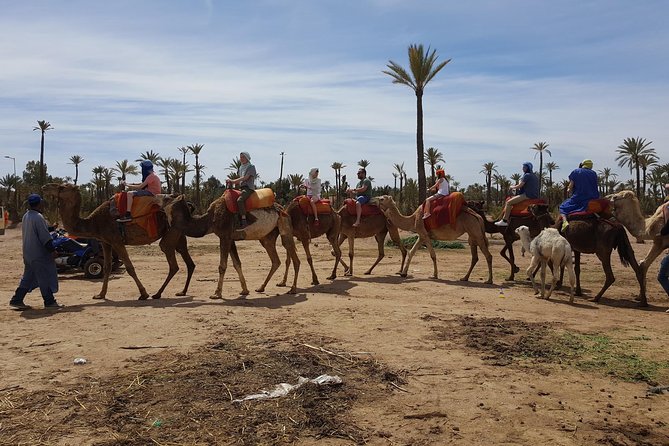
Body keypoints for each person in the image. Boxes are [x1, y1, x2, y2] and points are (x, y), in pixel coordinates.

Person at [9, 194, 63, 310]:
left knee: (28, 277)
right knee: (44, 277)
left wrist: (52, 228)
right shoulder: (38, 217)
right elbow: (44, 237)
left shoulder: (26, 216)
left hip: (28, 253)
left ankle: (17, 299)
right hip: (38, 254)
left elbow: (39, 230)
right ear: (39, 204)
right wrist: (52, 250)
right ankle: (49, 301)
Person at [558, 159, 600, 231]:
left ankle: (565, 222)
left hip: (578, 199)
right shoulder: (594, 173)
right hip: (593, 199)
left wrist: (568, 191)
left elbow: (570, 187)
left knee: (562, 207)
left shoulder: (576, 172)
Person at [495, 162, 540, 226]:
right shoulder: (535, 176)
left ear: (528, 168)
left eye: (524, 167)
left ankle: (504, 220)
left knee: (509, 203)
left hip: (527, 195)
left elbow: (520, 186)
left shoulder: (527, 175)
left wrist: (511, 187)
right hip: (534, 196)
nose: (523, 169)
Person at [226, 151, 257, 229]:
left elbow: (245, 178)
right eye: (240, 157)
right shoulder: (240, 168)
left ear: (247, 158)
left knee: (240, 200)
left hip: (248, 188)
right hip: (241, 188)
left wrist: (233, 181)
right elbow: (240, 179)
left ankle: (244, 220)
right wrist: (231, 184)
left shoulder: (251, 167)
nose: (241, 159)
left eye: (243, 157)